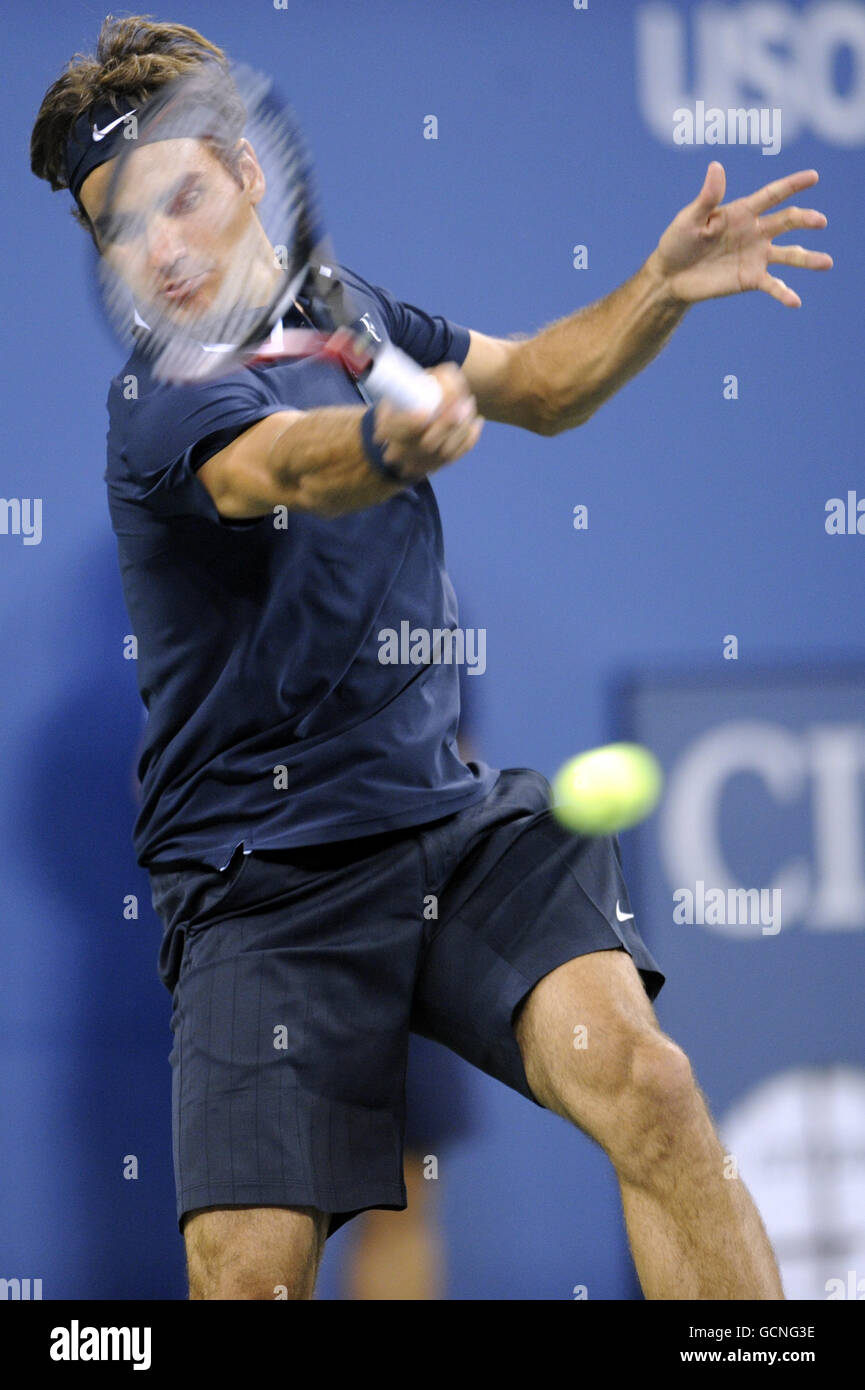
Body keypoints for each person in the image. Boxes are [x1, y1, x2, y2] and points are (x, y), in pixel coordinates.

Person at [31, 17, 831, 1301]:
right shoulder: (162, 403)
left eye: (178, 197)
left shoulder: (353, 316)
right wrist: (389, 449)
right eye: (121, 228)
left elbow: (543, 385)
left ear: (245, 172)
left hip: (445, 834)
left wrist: (658, 288)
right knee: (249, 1281)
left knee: (652, 1085)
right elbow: (281, 469)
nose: (160, 249)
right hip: (259, 882)